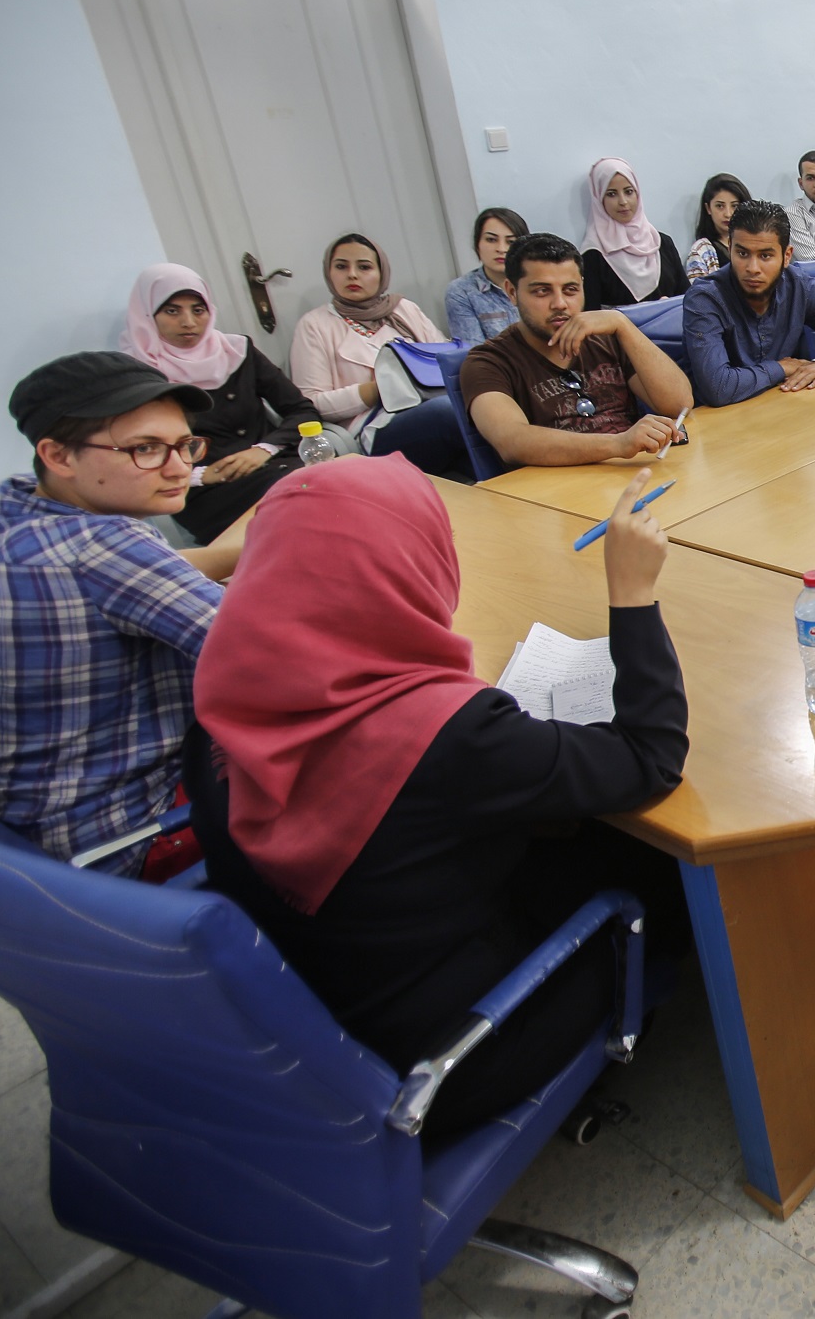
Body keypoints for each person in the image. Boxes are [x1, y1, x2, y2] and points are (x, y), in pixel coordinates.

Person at [184, 454, 690, 1136]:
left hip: (311, 1007)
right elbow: (650, 758)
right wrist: (632, 592)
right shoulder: (448, 734)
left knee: (565, 832)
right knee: (661, 865)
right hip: (452, 1055)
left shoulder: (224, 694)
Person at [0, 352, 237, 876]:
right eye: (145, 449)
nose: (178, 467)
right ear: (58, 455)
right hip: (121, 836)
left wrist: (254, 550)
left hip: (10, 816)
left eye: (184, 444)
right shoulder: (105, 547)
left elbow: (156, 572)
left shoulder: (1, 504)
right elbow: (284, 657)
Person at [121, 264, 319, 543]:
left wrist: (264, 448)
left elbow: (302, 411)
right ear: (146, 315)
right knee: (304, 497)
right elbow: (138, 453)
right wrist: (202, 475)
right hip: (207, 491)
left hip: (275, 464)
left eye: (198, 310)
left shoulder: (237, 351)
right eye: (172, 311)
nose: (189, 322)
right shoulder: (138, 372)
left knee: (337, 480)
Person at [460, 232, 691, 467]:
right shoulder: (487, 362)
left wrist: (624, 325)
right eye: (542, 291)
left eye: (570, 290)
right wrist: (619, 444)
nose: (560, 303)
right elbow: (512, 441)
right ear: (512, 292)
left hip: (631, 472)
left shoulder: (607, 338)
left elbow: (679, 405)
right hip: (559, 485)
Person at [289, 232, 468, 478]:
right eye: (341, 266)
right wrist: (379, 389)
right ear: (329, 273)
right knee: (447, 412)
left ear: (381, 272)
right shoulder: (315, 324)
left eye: (364, 267)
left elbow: (446, 360)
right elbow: (311, 403)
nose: (352, 275)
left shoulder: (403, 309)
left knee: (480, 412)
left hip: (429, 406)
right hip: (373, 426)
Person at [682, 200, 815, 405]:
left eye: (765, 256)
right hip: (721, 417)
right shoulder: (705, 298)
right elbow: (718, 388)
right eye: (742, 254)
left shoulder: (799, 286)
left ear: (786, 256)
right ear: (730, 248)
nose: (752, 268)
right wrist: (782, 367)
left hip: (784, 406)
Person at [578, 156, 689, 309]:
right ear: (599, 199)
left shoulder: (661, 243)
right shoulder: (594, 254)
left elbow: (687, 298)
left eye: (629, 191)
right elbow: (591, 314)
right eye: (611, 194)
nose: (623, 201)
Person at [444, 207, 529, 346]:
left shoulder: (538, 282)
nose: (501, 249)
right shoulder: (461, 291)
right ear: (477, 244)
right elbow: (473, 351)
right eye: (491, 239)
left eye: (511, 242)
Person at [684, 172, 751, 279]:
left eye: (734, 206)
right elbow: (697, 288)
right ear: (708, 208)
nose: (728, 214)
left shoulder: (757, 242)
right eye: (720, 206)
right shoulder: (701, 251)